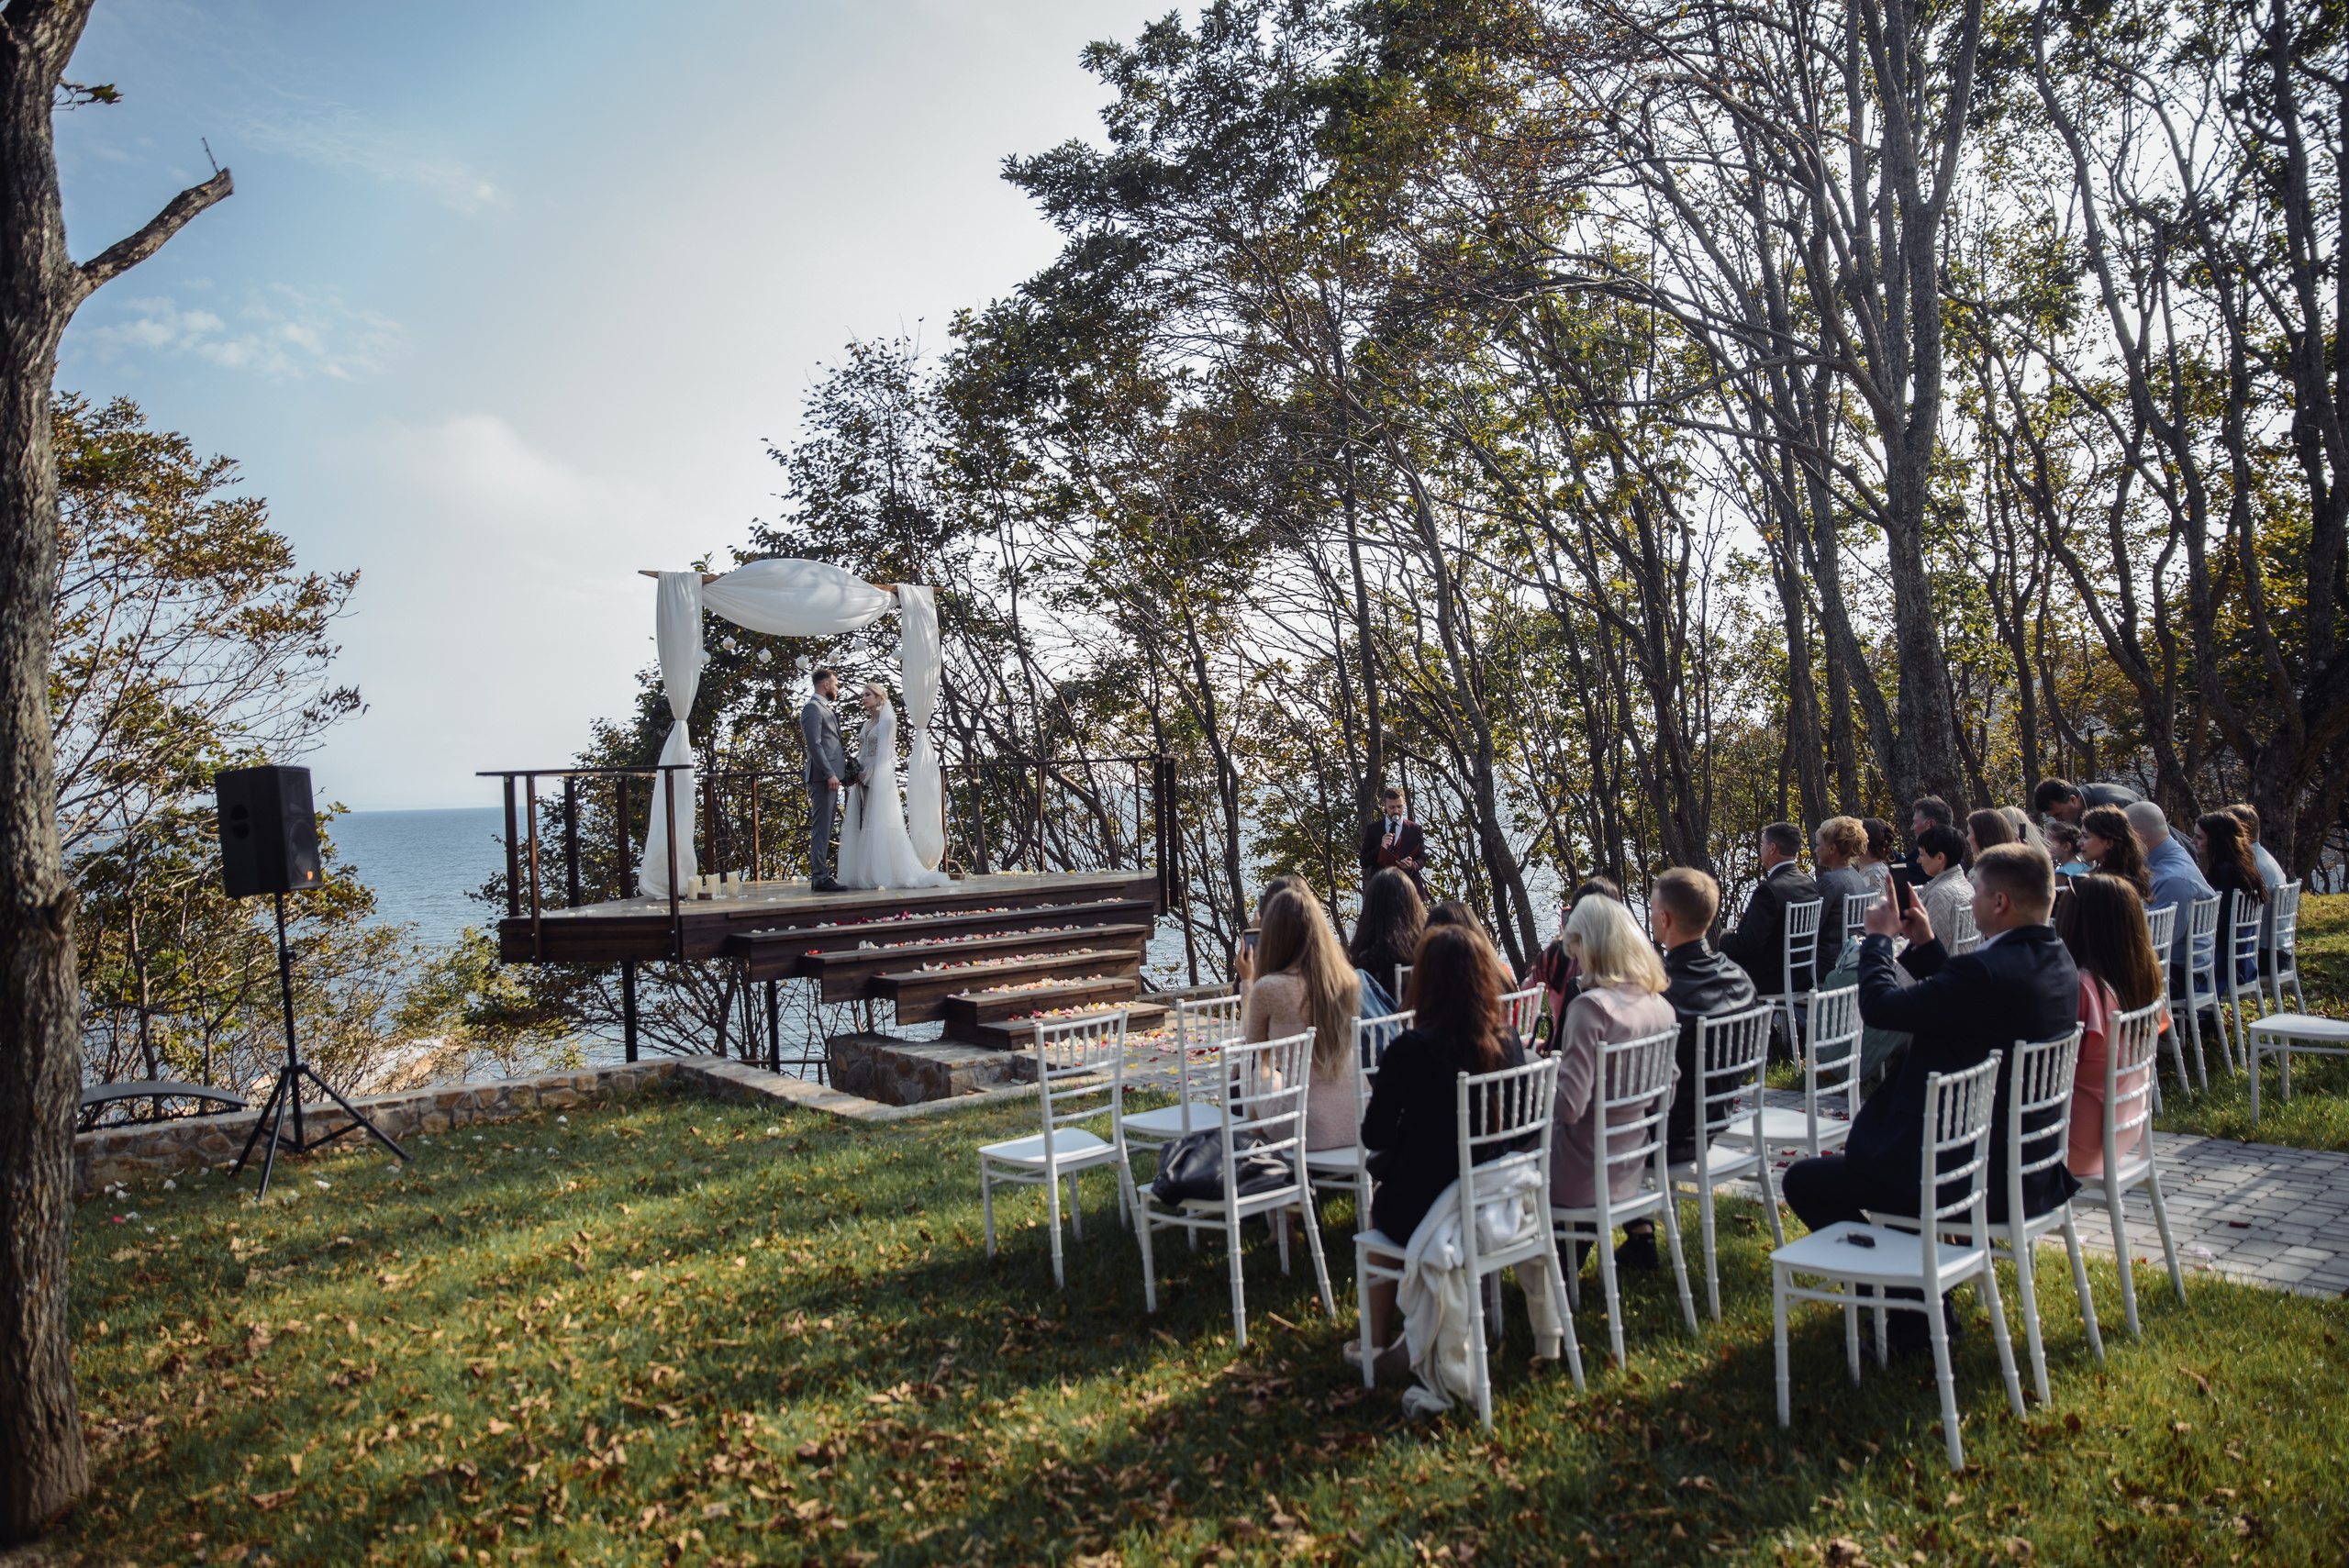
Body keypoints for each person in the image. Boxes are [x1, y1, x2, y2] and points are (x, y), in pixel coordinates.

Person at [1780, 844, 2080, 1353]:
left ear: (2000, 902)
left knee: (1805, 1181)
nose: (1973, 901)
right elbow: (1966, 996)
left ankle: (1910, 1307)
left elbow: (1881, 1008)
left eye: (1978, 893)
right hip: (2029, 1167)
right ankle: (1919, 1299)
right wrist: (1925, 944)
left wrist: (1878, 941)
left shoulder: (1985, 971)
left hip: (1958, 1176)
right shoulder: (2055, 959)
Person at [1352, 924, 1527, 1373]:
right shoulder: (1508, 1042)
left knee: (1380, 1211)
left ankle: (1374, 1343)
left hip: (1428, 1200)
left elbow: (1374, 1137)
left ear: (1424, 981)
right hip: (1497, 1195)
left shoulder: (1409, 1049)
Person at [1604, 867, 1757, 1269]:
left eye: (1653, 908)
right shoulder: (1740, 980)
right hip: (1715, 1120)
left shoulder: (1659, 992)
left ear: (1664, 918)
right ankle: (1639, 1237)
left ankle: (1626, 1240)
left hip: (1668, 1133)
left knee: (1589, 1125)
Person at [1546, 895, 1675, 1226]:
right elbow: (1667, 1094)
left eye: (1578, 954)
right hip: (1630, 1169)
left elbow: (1570, 1108)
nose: (1578, 966)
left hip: (1578, 1174)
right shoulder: (1661, 1007)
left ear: (1591, 949)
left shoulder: (1590, 1009)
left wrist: (1540, 1084)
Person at [2054, 874, 2162, 1178]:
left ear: (2076, 923)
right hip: (2119, 1133)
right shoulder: (2145, 978)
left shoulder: (2083, 987)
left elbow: (2050, 1074)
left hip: (2074, 1144)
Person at [1240, 884, 1363, 1151]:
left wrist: (1248, 983)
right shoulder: (1347, 980)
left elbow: (1253, 1052)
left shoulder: (1269, 988)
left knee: (1262, 1074)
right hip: (1358, 1119)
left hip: (1307, 1129)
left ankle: (1257, 1146)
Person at [832, 681, 952, 891]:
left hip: (878, 776)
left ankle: (883, 872)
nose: (863, 698)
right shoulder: (866, 724)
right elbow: (862, 751)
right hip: (861, 774)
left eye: (868, 694)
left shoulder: (888, 721)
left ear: (879, 698)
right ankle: (864, 872)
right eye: (863, 694)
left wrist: (868, 773)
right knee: (861, 822)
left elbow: (887, 753)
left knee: (880, 822)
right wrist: (853, 770)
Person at [1718, 822, 1822, 997]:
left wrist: (1725, 938)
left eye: (1762, 845)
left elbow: (1749, 945)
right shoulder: (1808, 882)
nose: (1761, 850)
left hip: (1772, 978)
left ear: (1772, 848)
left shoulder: (1768, 890)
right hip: (1802, 975)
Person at [1519, 876, 1621, 1047]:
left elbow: (1526, 991)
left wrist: (1556, 948)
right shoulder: (1633, 963)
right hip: (1618, 1055)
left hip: (1566, 1051)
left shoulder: (1559, 956)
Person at [2129, 801, 2214, 997]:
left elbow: (2154, 944)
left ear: (2136, 835)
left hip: (2177, 974)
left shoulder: (2171, 878)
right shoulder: (2169, 857)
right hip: (2175, 965)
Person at [2195, 810, 2268, 987]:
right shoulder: (2245, 870)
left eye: (2199, 837)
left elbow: (2217, 925)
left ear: (2216, 841)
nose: (2192, 841)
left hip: (2224, 966)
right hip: (2244, 961)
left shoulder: (2226, 875)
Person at [1348, 867, 1425, 1017]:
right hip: (1423, 1026)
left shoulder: (1368, 958)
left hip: (1381, 1029)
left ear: (1371, 908)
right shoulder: (1427, 950)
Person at [800, 667, 849, 891]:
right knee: (821, 828)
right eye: (835, 685)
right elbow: (815, 745)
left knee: (826, 826)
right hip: (822, 778)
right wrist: (829, 773)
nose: (837, 689)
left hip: (830, 777)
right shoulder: (812, 708)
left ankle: (821, 876)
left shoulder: (824, 708)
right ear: (826, 685)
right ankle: (820, 877)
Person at [1812, 817, 1875, 956]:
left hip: (1830, 960)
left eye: (1818, 845)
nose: (1816, 850)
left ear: (1832, 848)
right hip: (1854, 954)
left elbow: (1811, 926)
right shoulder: (1856, 877)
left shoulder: (1829, 882)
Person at [1359, 785, 1429, 900]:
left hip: (1408, 889)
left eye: (1399, 806)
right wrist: (1380, 847)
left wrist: (1411, 865)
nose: (1396, 811)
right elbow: (1364, 861)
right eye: (1392, 807)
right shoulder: (1373, 829)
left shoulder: (1415, 829)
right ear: (1384, 805)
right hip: (1381, 890)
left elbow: (1422, 859)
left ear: (1404, 802)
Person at [1912, 824, 1972, 952]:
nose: (1918, 860)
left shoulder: (1941, 893)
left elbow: (1929, 950)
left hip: (1947, 963)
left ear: (1940, 857)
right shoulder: (1966, 885)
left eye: (1922, 854)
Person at [2077, 806, 2152, 902]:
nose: (2079, 843)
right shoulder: (2132, 877)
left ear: (2109, 843)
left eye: (2086, 837)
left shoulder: (2108, 887)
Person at [2033, 777, 2143, 825]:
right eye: (2053, 817)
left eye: (2059, 814)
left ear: (2072, 799)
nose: (2059, 820)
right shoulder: (2076, 813)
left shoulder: (2113, 804)